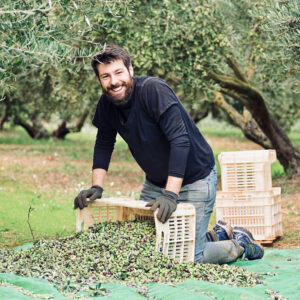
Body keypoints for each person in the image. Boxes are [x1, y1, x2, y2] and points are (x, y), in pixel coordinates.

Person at [74, 45, 264, 264]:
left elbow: (180, 140)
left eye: (118, 72)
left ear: (130, 70)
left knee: (190, 257)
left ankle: (239, 243)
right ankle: (217, 234)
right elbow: (104, 143)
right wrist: (96, 187)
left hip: (196, 178)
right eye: (105, 76)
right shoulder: (106, 104)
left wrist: (171, 194)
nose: (113, 81)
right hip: (156, 183)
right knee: (148, 246)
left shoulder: (153, 90)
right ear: (99, 80)